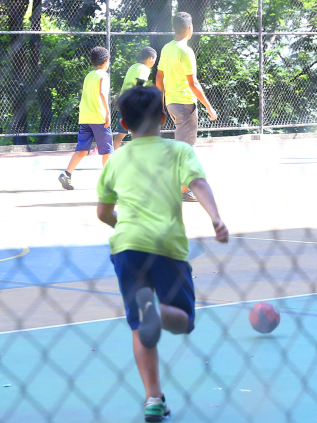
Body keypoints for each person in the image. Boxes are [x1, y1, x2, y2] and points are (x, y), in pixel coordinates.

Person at [96, 86, 228, 422]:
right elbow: (198, 184)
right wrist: (215, 217)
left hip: (127, 246)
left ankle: (153, 398)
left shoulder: (117, 159)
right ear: (164, 117)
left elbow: (102, 212)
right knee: (183, 321)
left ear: (123, 123)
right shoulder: (178, 151)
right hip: (167, 245)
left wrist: (122, 225)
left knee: (140, 327)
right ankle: (161, 311)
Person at [156, 11, 218, 201]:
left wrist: (162, 102)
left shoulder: (167, 48)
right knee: (186, 148)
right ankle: (183, 190)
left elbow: (159, 77)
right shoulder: (185, 51)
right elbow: (193, 83)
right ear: (190, 29)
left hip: (172, 103)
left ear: (174, 28)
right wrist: (209, 106)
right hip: (185, 104)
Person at [58, 46, 113, 190]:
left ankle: (67, 174)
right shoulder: (104, 75)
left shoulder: (89, 75)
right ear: (106, 61)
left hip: (85, 118)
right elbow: (102, 93)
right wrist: (108, 114)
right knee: (107, 151)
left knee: (82, 149)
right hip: (99, 118)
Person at [113, 46, 158, 150]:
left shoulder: (133, 66)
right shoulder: (145, 69)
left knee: (122, 133)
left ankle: (112, 156)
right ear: (151, 58)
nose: (154, 62)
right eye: (155, 60)